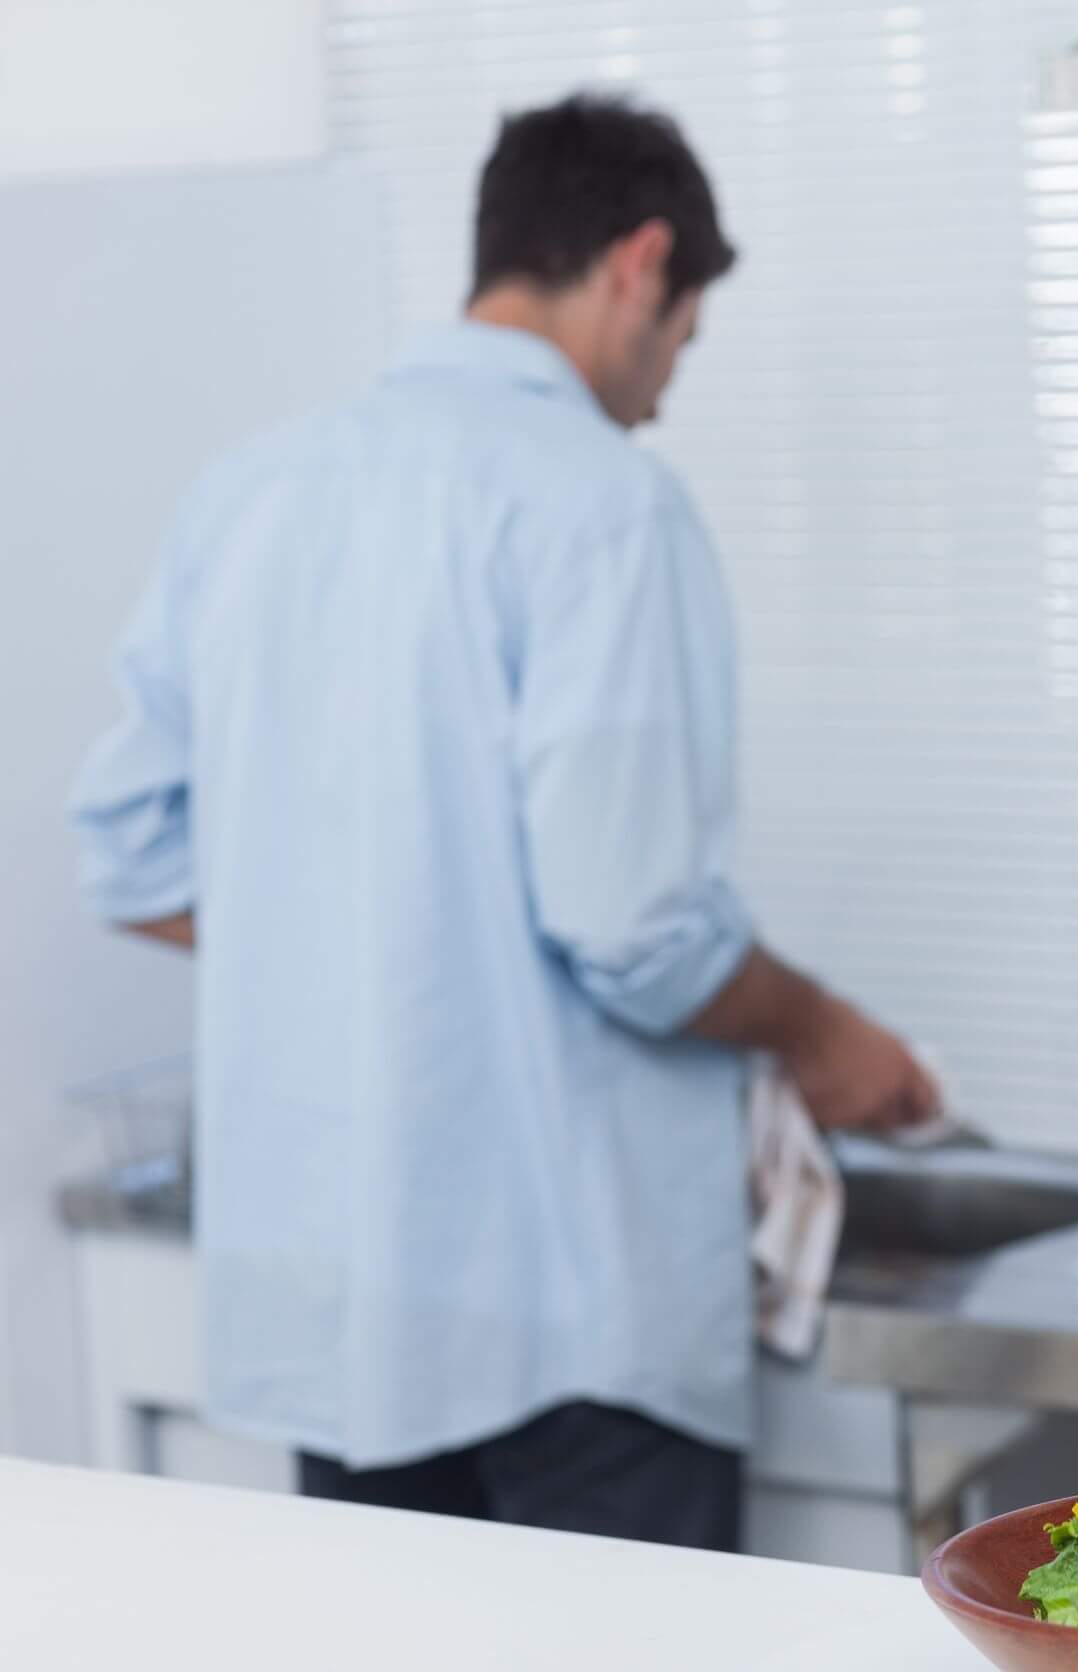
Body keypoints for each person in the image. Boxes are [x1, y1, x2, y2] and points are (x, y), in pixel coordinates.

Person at [67, 92, 934, 1551]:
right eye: (681, 343)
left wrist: (361, 932)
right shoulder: (605, 504)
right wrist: (820, 1030)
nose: (662, 390)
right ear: (642, 263)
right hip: (564, 1322)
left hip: (340, 1312)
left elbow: (130, 854)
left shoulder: (253, 494)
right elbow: (635, 927)